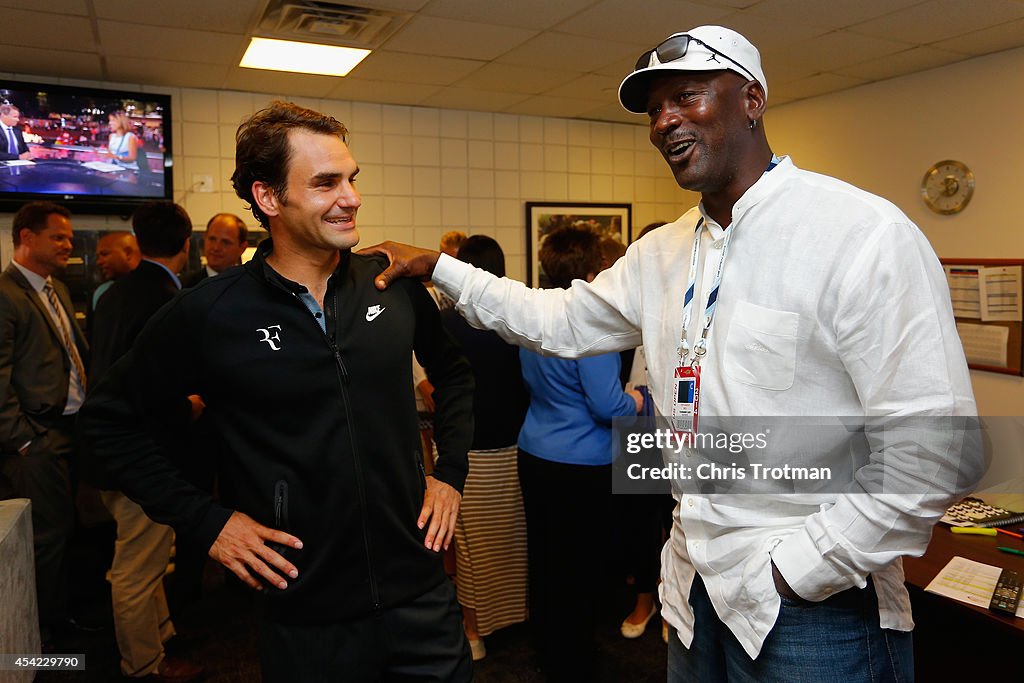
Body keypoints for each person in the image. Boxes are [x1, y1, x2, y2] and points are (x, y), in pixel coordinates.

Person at [364, 25, 982, 683]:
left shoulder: (859, 235)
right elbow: (560, 320)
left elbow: (932, 449)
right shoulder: (662, 252)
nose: (664, 122)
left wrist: (797, 570)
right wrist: (443, 268)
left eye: (687, 97)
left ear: (751, 99)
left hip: (815, 609)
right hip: (693, 590)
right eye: (654, 109)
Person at [80, 101, 475, 682]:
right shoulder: (211, 312)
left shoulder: (390, 281)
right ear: (269, 198)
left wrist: (450, 472)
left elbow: (456, 373)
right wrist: (207, 521)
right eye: (325, 183)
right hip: (305, 614)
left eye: (351, 179)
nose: (351, 197)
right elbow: (106, 423)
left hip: (420, 598)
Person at [87, 201, 203, 682]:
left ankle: (161, 637)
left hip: (106, 450)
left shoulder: (111, 293)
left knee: (148, 558)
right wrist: (190, 406)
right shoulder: (165, 300)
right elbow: (152, 388)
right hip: (140, 454)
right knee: (135, 570)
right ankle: (144, 666)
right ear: (186, 244)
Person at [0, 201, 86, 645]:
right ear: (27, 238)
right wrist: (24, 441)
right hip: (36, 438)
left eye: (70, 237)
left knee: (67, 529)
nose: (68, 244)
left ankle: (62, 613)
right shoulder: (6, 292)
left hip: (67, 429)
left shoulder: (57, 288)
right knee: (47, 537)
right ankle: (44, 633)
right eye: (59, 237)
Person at [441, 235, 529, 662]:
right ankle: (517, 616)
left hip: (465, 451)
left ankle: (473, 631)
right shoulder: (512, 325)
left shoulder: (448, 324)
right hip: (513, 445)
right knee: (513, 540)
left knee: (471, 547)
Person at [181, 213, 249, 287]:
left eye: (225, 242)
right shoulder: (185, 288)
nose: (216, 248)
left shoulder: (252, 287)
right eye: (212, 239)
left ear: (242, 248)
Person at [92, 231, 141, 309]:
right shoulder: (103, 292)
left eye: (105, 254)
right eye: (98, 257)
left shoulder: (155, 289)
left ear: (127, 253)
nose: (99, 262)